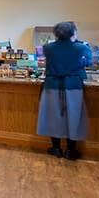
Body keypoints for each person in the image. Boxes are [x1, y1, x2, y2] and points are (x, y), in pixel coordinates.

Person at [37, 21, 93, 160]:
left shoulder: (48, 47)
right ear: (73, 33)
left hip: (52, 84)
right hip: (73, 85)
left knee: (53, 115)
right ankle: (70, 150)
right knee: (73, 116)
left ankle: (56, 148)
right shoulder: (81, 47)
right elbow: (89, 61)